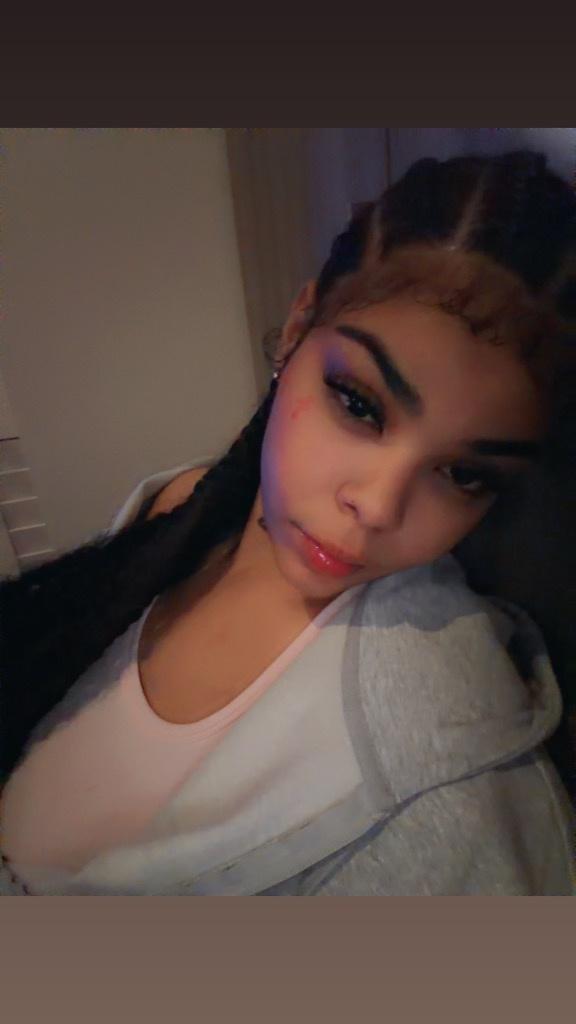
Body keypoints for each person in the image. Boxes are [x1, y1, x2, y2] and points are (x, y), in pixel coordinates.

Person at [0, 150, 574, 895]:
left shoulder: (453, 805)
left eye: (464, 475)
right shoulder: (177, 502)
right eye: (359, 404)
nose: (377, 506)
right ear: (300, 324)